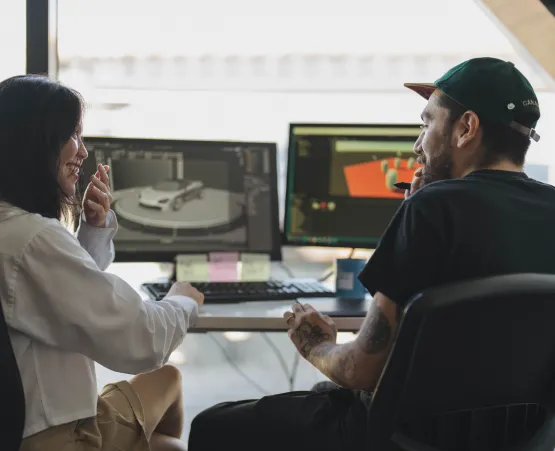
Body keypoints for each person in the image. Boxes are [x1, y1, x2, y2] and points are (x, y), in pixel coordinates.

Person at [188, 57, 555, 451]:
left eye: (427, 124)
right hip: (517, 438)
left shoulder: (431, 208)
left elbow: (361, 370)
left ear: (466, 128)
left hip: (398, 436)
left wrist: (317, 344)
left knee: (211, 425)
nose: (418, 144)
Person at [0, 75, 204, 451]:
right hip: (56, 436)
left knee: (168, 381)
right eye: (73, 135)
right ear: (35, 144)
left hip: (34, 425)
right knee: (169, 415)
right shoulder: (32, 238)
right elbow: (140, 338)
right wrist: (184, 301)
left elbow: (57, 300)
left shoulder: (13, 229)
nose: (83, 151)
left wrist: (92, 231)